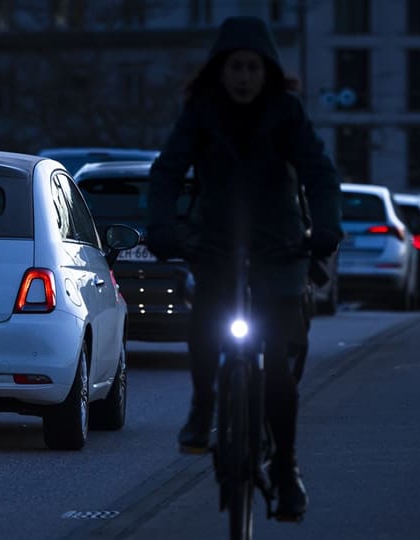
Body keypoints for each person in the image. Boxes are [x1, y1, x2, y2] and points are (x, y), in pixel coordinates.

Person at [145, 16, 342, 520]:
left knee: (278, 366)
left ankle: (285, 468)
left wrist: (325, 228)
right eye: (236, 66)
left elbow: (318, 172)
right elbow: (167, 170)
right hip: (217, 244)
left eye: (253, 67)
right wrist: (162, 228)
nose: (244, 77)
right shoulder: (200, 112)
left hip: (278, 248)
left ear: (268, 71)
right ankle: (203, 404)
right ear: (220, 69)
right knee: (207, 320)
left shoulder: (287, 112)